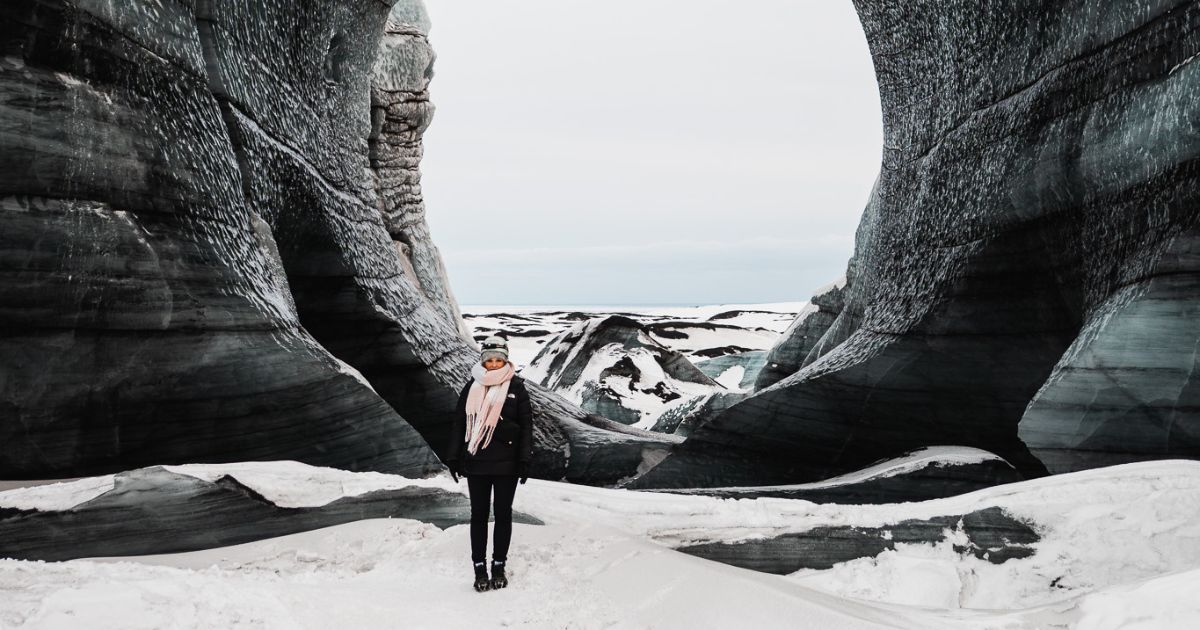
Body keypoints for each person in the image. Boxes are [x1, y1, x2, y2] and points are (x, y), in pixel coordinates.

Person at [444, 335, 533, 593]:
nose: (493, 364)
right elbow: (460, 423)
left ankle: (499, 565)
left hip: (507, 465)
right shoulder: (472, 386)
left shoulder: (517, 388)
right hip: (477, 463)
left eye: (498, 359)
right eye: (489, 360)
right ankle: (479, 567)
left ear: (505, 360)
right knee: (479, 516)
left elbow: (527, 426)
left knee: (503, 515)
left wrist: (525, 458)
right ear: (483, 361)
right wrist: (453, 456)